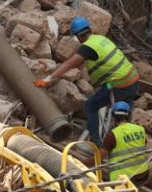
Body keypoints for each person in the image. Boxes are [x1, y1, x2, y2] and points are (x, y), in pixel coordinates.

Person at [34, 16, 139, 145]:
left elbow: (69, 64)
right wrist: (53, 66)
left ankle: (96, 143)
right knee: (124, 112)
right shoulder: (100, 39)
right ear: (89, 29)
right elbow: (79, 60)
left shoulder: (87, 47)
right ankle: (130, 141)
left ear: (78, 36)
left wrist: (47, 79)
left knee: (90, 106)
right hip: (133, 79)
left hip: (118, 85)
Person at [85, 101, 149, 184]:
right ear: (129, 115)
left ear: (113, 117)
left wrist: (82, 162)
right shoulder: (140, 129)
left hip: (122, 179)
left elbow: (99, 158)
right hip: (143, 174)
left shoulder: (113, 135)